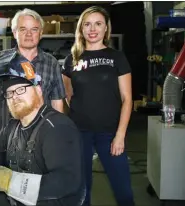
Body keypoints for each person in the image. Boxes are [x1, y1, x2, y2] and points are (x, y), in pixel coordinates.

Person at [0, 53, 85, 206]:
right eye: (9, 93)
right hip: (22, 199)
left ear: (38, 90)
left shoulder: (57, 128)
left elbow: (67, 182)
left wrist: (11, 182)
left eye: (21, 89)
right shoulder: (13, 127)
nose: (15, 97)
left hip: (50, 201)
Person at [61, 6, 134, 206]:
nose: (93, 29)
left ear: (105, 29)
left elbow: (128, 99)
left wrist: (120, 135)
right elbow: (68, 95)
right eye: (87, 24)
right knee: (82, 192)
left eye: (98, 24)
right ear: (81, 29)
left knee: (124, 192)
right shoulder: (71, 60)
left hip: (110, 133)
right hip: (79, 132)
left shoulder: (117, 57)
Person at [0, 8, 66, 146]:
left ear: (41, 33)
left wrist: (59, 131)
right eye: (23, 29)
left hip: (43, 138)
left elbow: (57, 101)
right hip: (7, 138)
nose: (28, 34)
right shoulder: (0, 60)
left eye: (34, 29)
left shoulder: (51, 62)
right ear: (14, 33)